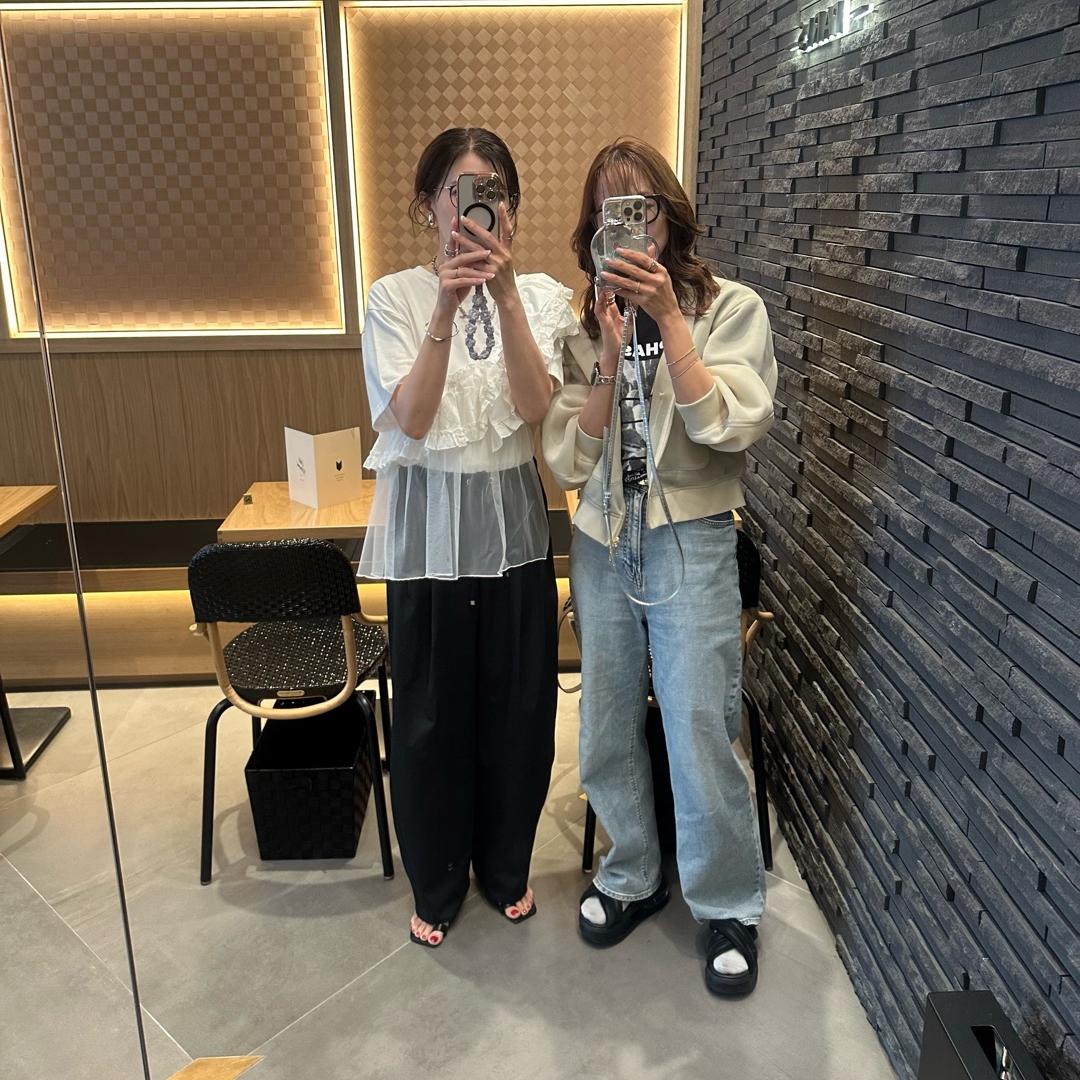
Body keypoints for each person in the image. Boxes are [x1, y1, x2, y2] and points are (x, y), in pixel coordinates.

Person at [542, 137, 777, 996]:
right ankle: (633, 872)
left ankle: (727, 902)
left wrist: (671, 321)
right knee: (606, 722)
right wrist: (609, 354)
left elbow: (731, 425)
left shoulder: (729, 310)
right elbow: (569, 459)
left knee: (697, 723)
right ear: (593, 229)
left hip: (691, 535)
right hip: (604, 541)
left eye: (639, 207)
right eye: (611, 212)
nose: (629, 226)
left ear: (668, 216)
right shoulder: (583, 326)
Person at [359, 127, 577, 948]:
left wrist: (507, 293)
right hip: (428, 536)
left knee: (518, 705)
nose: (476, 206)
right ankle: (440, 878)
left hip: (512, 529)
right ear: (428, 205)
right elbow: (413, 420)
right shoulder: (393, 298)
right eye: (460, 190)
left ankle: (506, 867)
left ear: (510, 208)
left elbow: (533, 408)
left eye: (494, 191)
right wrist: (446, 307)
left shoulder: (543, 295)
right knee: (428, 714)